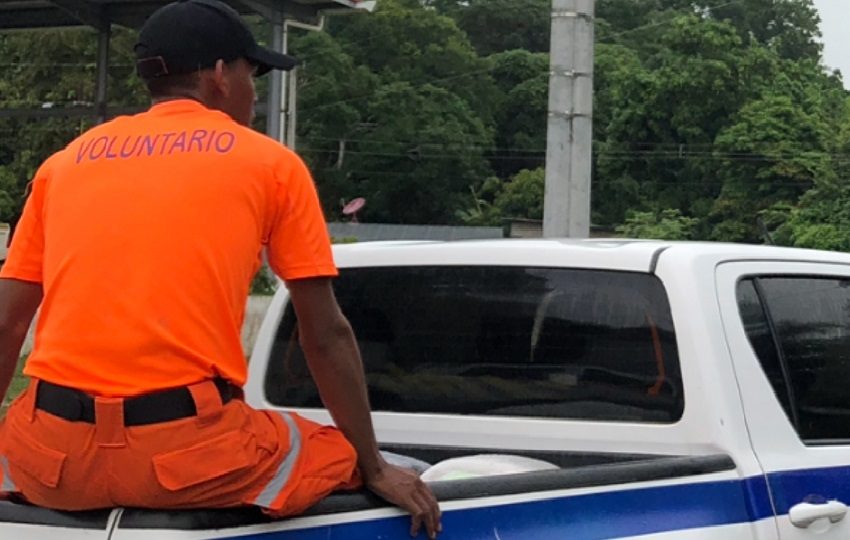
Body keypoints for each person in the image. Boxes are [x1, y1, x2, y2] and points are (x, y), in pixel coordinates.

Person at [0, 0, 441, 537]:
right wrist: (373, 465)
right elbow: (324, 335)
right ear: (218, 75)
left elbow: (7, 323)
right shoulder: (271, 165)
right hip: (187, 461)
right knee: (335, 451)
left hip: (50, 460)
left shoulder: (63, 165)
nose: (253, 93)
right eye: (251, 75)